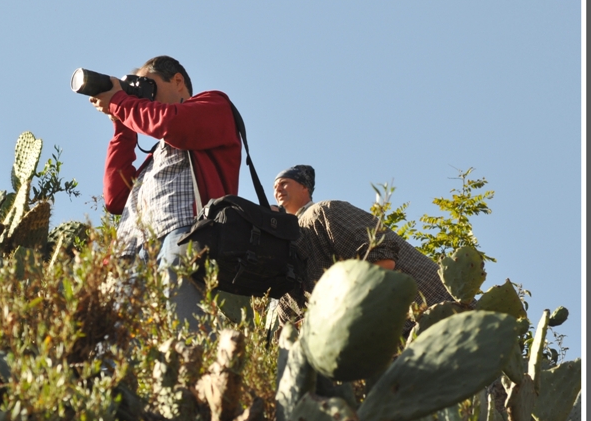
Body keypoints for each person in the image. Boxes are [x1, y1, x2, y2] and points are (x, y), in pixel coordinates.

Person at [89, 55, 242, 327]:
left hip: (181, 235)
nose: (139, 94)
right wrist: (122, 127)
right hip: (130, 253)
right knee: (118, 353)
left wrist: (121, 101)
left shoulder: (214, 105)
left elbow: (171, 124)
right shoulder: (158, 155)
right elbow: (115, 198)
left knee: (182, 336)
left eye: (145, 84)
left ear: (178, 81)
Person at [271, 164, 452, 328]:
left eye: (284, 183)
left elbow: (383, 261)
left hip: (435, 313)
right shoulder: (286, 251)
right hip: (394, 343)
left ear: (304, 187)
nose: (278, 188)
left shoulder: (322, 212)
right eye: (274, 187)